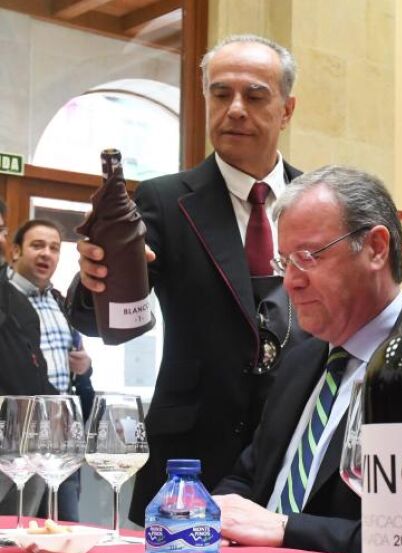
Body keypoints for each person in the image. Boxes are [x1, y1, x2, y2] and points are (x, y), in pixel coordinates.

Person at [68, 34, 304, 524]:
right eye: (221, 94)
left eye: (254, 96)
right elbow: (106, 316)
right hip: (191, 454)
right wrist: (98, 278)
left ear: (286, 110)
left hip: (294, 445)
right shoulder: (165, 199)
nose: (235, 109)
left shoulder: (315, 198)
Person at [213, 166, 402, 553]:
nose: (290, 282)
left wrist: (286, 529)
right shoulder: (300, 361)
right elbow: (249, 478)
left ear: (376, 248)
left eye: (307, 257)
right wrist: (207, 512)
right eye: (285, 263)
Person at [8, 219, 95, 521]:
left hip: (61, 438)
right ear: (15, 251)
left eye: (54, 248)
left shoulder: (60, 302)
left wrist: (85, 368)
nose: (46, 253)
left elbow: (76, 362)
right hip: (16, 438)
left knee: (65, 529)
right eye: (37, 245)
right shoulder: (5, 301)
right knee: (15, 531)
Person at [0, 202, 57, 517]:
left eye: (0, 230)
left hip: (28, 447)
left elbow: (34, 375)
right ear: (17, 251)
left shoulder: (19, 304)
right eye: (37, 245)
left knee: (18, 535)